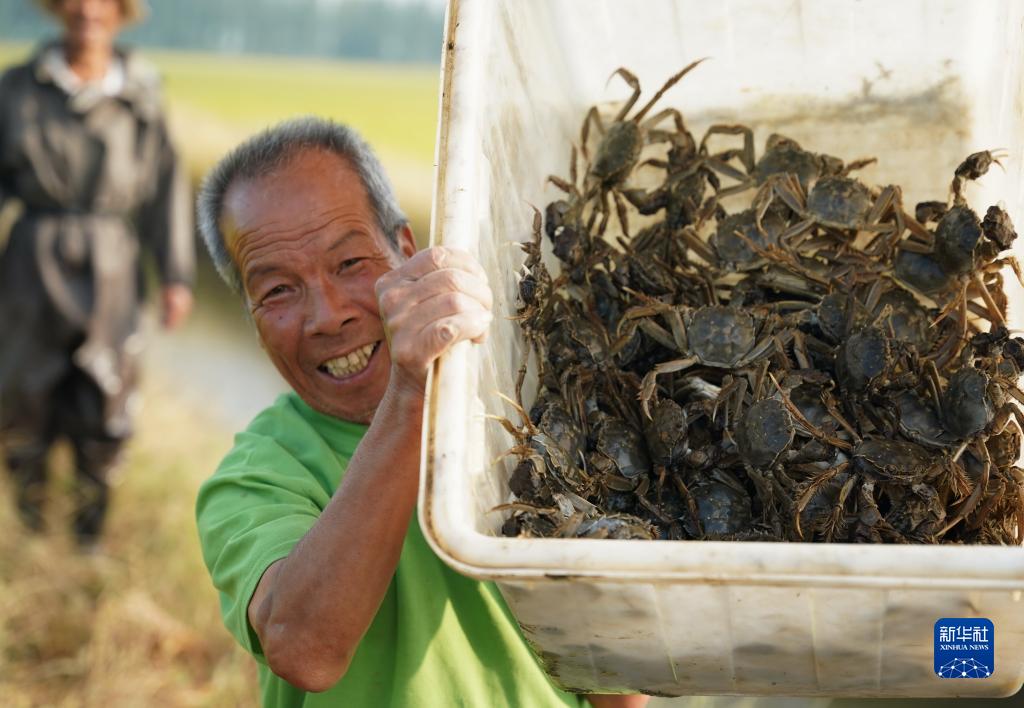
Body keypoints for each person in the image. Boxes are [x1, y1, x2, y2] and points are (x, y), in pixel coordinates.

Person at [194, 117, 647, 707]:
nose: (327, 316)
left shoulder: (524, 413)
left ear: (405, 250)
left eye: (350, 263)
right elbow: (303, 648)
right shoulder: (258, 473)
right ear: (251, 317)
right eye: (277, 290)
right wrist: (412, 391)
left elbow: (611, 667)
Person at [0, 0, 194, 545]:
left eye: (101, 0)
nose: (88, 10)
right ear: (59, 10)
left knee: (107, 398)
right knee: (22, 394)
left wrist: (175, 276)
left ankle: (89, 538)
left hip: (113, 260)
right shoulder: (17, 87)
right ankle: (30, 530)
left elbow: (165, 189)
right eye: (76, 0)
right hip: (31, 258)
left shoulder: (140, 94)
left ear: (120, 12)